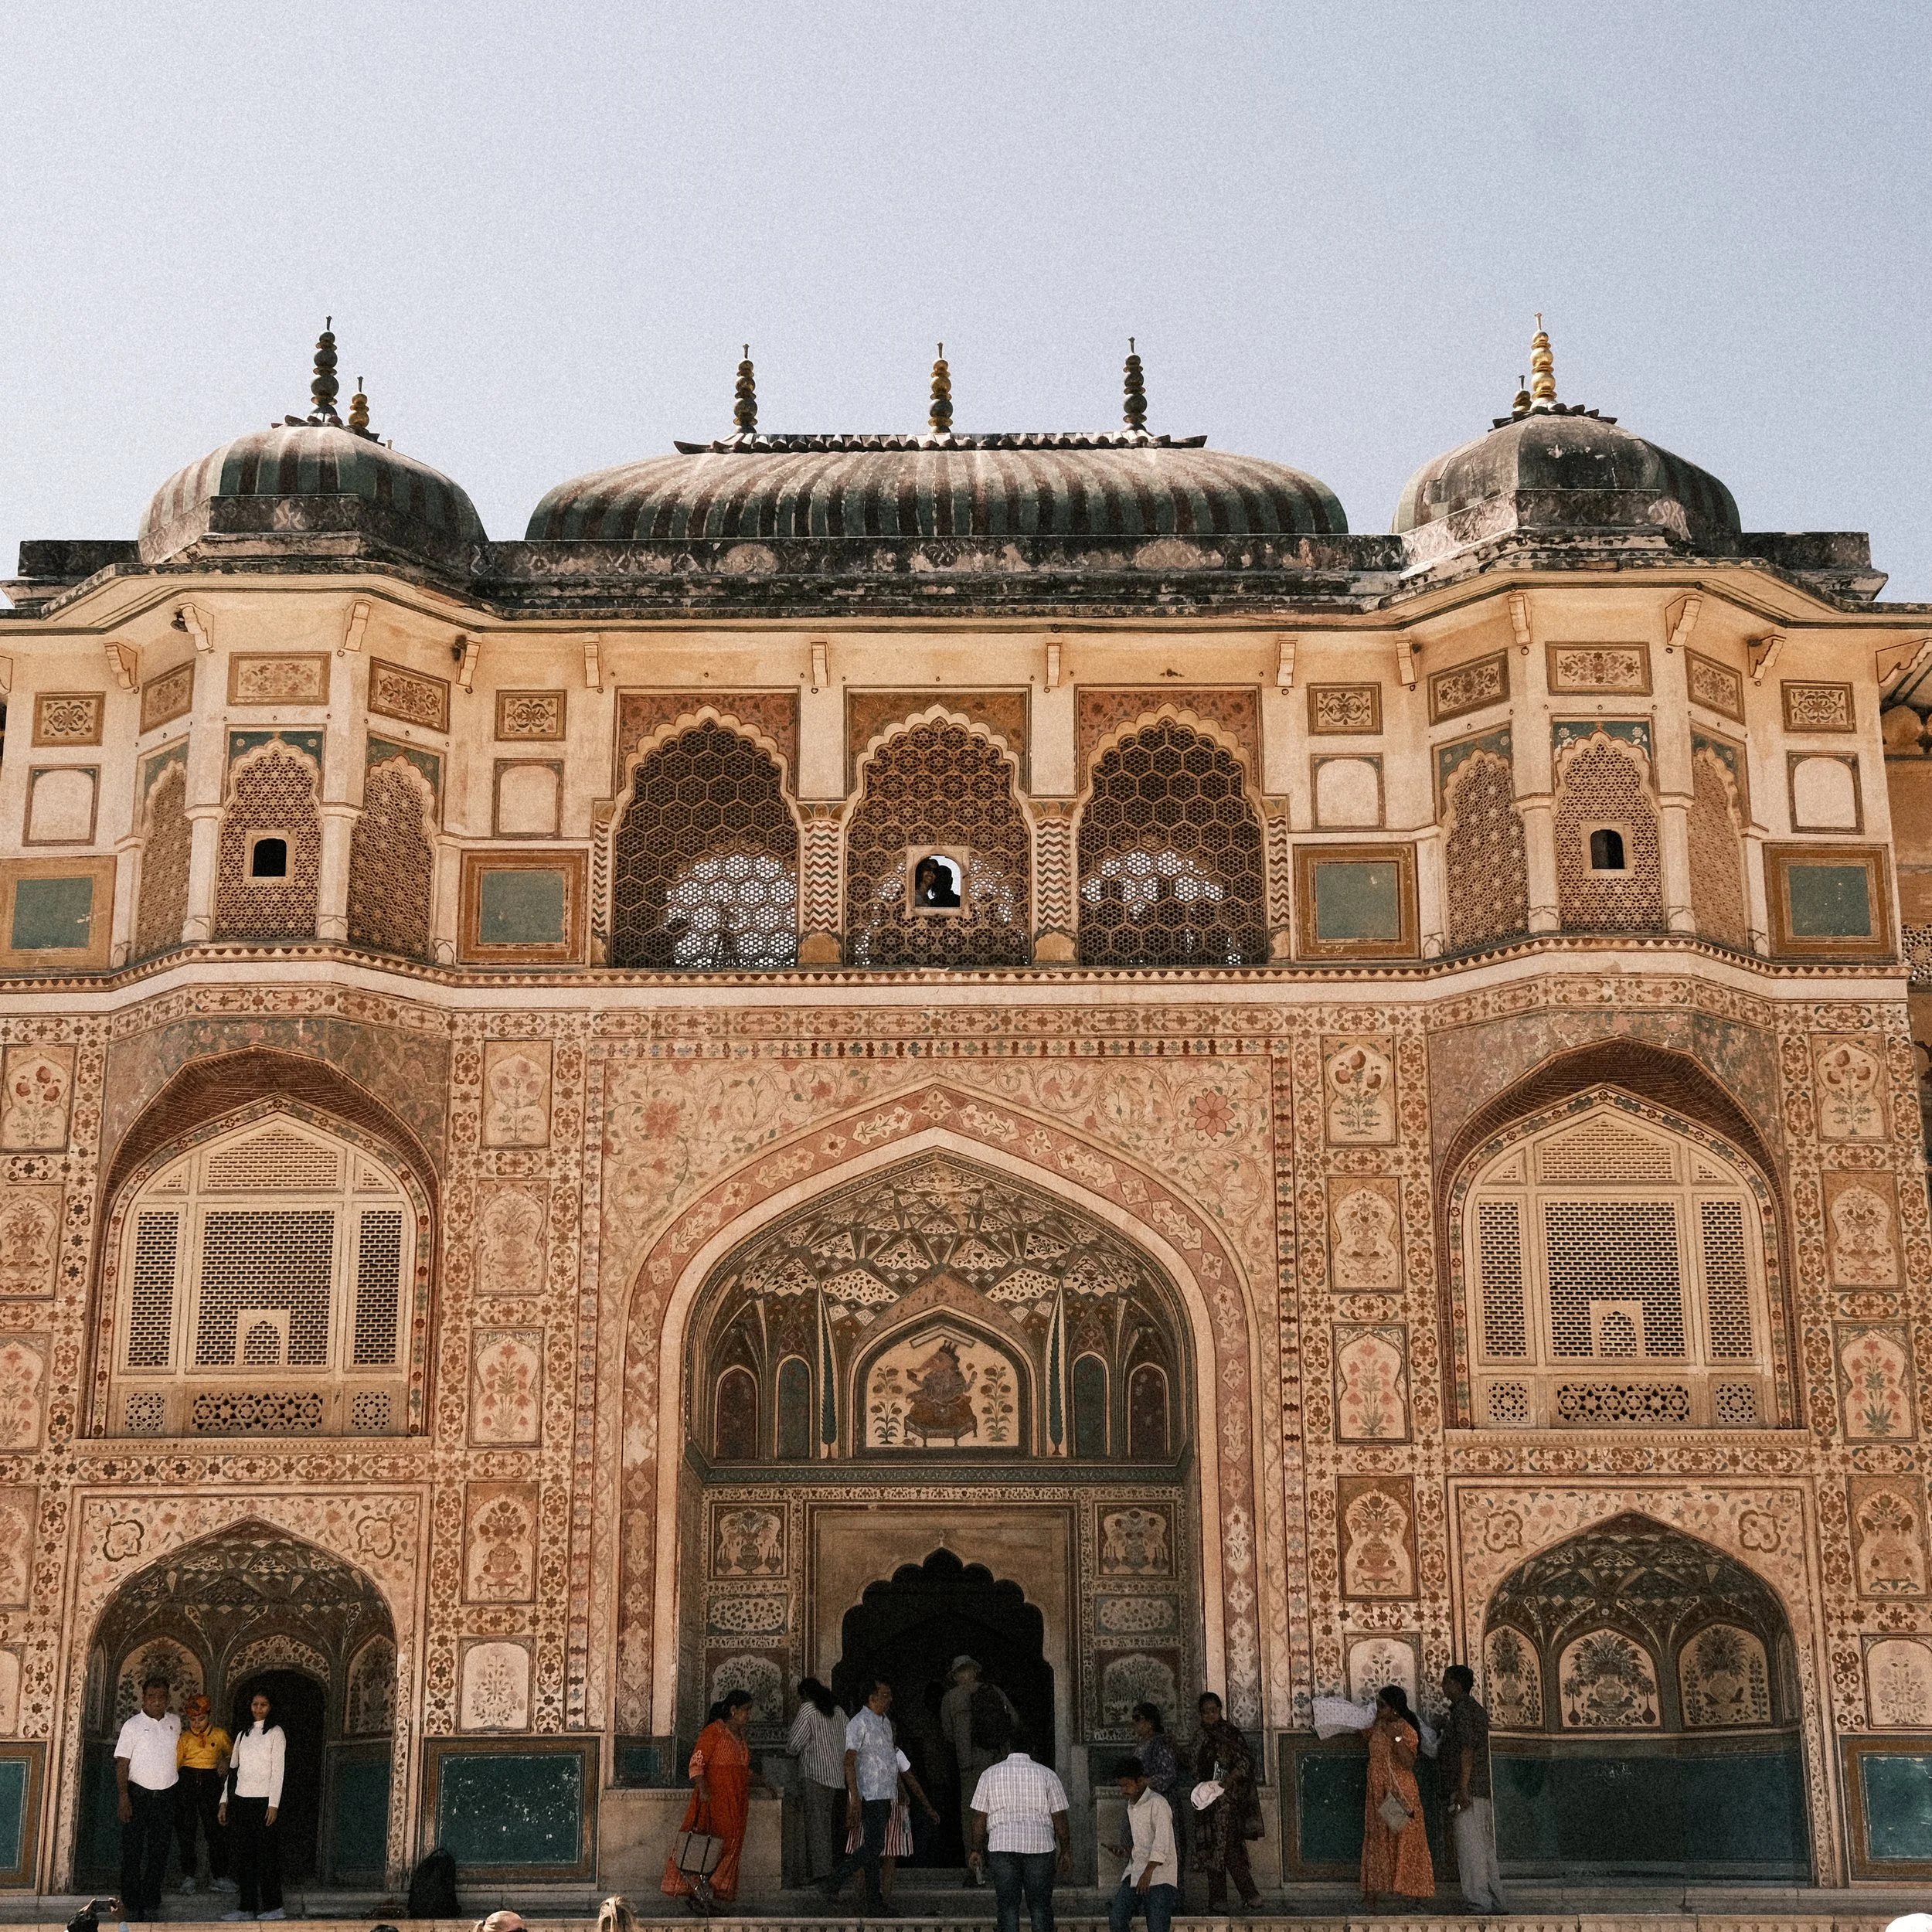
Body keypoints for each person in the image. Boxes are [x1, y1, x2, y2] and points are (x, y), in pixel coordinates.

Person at [662, 1687, 770, 1912]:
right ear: (733, 1710)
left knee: (731, 1844)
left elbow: (742, 1768)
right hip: (716, 1798)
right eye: (746, 1710)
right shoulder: (715, 1732)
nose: (748, 1716)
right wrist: (703, 1790)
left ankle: (706, 1896)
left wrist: (766, 1784)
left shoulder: (740, 1737)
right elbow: (697, 1762)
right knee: (715, 1846)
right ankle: (700, 1893)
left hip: (737, 1799)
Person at [967, 1717, 1070, 1932]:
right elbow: (1059, 1817)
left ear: (1006, 1747)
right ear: (1032, 1748)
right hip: (1040, 1846)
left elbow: (979, 1817)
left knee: (1007, 1908)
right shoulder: (1048, 1775)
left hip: (1002, 1846)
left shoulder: (989, 1775)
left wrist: (976, 1849)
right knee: (1041, 1907)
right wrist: (1066, 1850)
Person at [818, 1677, 898, 1912]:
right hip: (869, 1793)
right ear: (872, 1698)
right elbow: (849, 1762)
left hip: (885, 1792)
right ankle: (834, 1880)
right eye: (885, 1695)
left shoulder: (884, 1722)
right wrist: (854, 1798)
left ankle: (874, 1901)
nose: (889, 1699)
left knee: (873, 1850)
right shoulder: (859, 1723)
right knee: (873, 1846)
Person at [939, 1655, 1016, 1884]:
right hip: (999, 1761)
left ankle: (975, 1868)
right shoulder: (995, 1691)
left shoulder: (951, 1697)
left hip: (970, 1764)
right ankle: (1003, 1867)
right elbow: (1014, 1721)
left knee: (973, 1815)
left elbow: (948, 1734)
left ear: (955, 1676)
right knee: (1001, 1812)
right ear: (975, 1671)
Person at [1439, 1665, 1506, 1913]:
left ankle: (1479, 1903)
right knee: (1485, 1849)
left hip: (1470, 1791)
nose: (1442, 1685)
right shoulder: (1472, 1709)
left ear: (1456, 1684)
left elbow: (1467, 1750)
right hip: (1479, 1790)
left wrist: (1463, 1789)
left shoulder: (1464, 1711)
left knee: (1471, 1849)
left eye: (1446, 1681)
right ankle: (1497, 1902)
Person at [114, 1675, 181, 1922]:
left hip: (166, 1796)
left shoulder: (176, 1723)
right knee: (132, 1850)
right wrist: (124, 1797)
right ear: (144, 1698)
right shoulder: (132, 1725)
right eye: (151, 1697)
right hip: (137, 1795)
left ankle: (152, 1900)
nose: (156, 1701)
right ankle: (131, 1902)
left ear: (167, 1699)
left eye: (161, 1696)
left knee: (159, 1850)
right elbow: (122, 1763)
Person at [1361, 1683, 1434, 1907]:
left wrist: (1396, 1739)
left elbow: (1408, 1762)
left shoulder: (1405, 1730)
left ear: (1394, 1708)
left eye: (1381, 1705)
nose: (1378, 1709)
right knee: (1378, 1840)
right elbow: (1370, 1742)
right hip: (1379, 1794)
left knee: (1407, 1841)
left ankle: (1416, 1897)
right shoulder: (1378, 1726)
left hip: (1399, 1794)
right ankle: (1371, 1896)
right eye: (1376, 1705)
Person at [219, 1689, 287, 1922]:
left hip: (264, 1803)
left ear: (271, 1707)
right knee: (244, 1857)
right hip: (242, 1801)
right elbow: (233, 1771)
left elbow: (278, 1772)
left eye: (264, 1705)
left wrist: (274, 1804)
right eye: (255, 1704)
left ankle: (274, 1906)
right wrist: (224, 1801)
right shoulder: (242, 1735)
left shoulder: (276, 1733)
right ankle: (246, 1907)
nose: (258, 1709)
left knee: (266, 1856)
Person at [1189, 1692, 1261, 1910]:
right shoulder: (1200, 1736)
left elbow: (1245, 1763)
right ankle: (1218, 1901)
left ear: (1220, 1710)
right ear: (1200, 1714)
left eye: (1214, 1710)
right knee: (1211, 1850)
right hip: (1205, 1802)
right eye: (1206, 1712)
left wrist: (1226, 1783)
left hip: (1226, 1803)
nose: (1211, 1715)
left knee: (1228, 1849)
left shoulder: (1230, 1734)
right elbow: (1192, 1762)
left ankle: (1252, 1896)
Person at [1104, 1756, 1179, 1932]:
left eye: (1126, 1785)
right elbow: (1143, 1844)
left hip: (1159, 1876)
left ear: (1140, 1781)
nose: (1123, 1791)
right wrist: (1126, 1851)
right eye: (1121, 1786)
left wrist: (1148, 1872)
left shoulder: (1158, 1803)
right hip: (1136, 1871)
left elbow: (1162, 1842)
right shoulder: (1132, 1806)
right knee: (1117, 1918)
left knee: (1157, 1927)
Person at [786, 1676, 847, 1881]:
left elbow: (794, 1743)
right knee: (828, 1824)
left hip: (814, 1774)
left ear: (804, 1695)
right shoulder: (839, 1712)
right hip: (837, 1776)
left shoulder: (808, 1710)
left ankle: (822, 1873)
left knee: (816, 1826)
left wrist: (790, 1751)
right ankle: (830, 1868)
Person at [175, 1693, 233, 1895]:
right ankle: (189, 1877)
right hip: (188, 1780)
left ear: (209, 1716)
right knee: (187, 1830)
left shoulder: (219, 1735)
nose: (198, 1724)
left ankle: (219, 1876)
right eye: (193, 1719)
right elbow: (177, 1764)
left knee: (215, 1830)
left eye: (202, 1719)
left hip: (211, 1782)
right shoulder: (184, 1738)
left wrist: (225, 1759)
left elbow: (233, 1755)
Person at [1128, 1704, 1182, 1880]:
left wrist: (1146, 1783)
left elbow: (1169, 1774)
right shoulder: (1141, 1745)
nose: (1135, 1724)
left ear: (1150, 1722)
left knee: (1162, 1850)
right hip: (1142, 1805)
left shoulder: (1161, 1744)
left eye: (1138, 1719)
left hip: (1160, 1804)